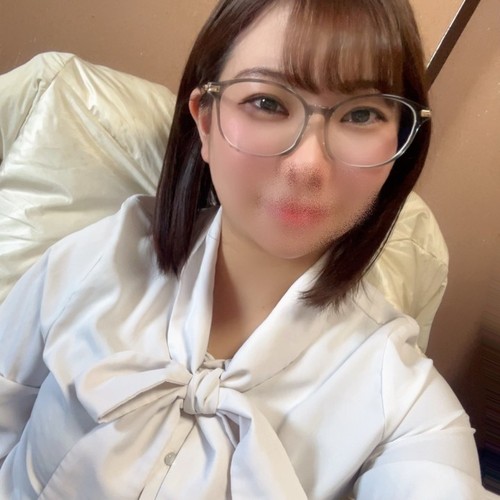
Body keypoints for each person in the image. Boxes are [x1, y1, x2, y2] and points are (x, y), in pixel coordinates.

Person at [0, 0, 484, 498]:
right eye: (268, 102)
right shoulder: (93, 258)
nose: (307, 166)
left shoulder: (403, 405)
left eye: (361, 114)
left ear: (401, 142)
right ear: (206, 122)